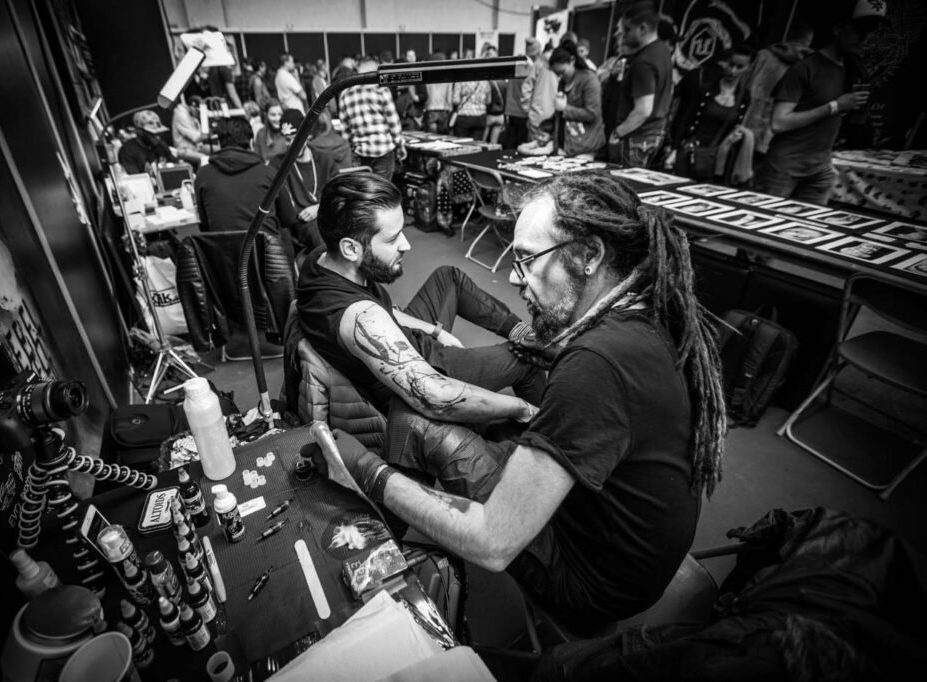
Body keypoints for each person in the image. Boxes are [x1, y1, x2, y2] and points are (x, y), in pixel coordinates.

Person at [304, 172, 728, 634]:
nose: (511, 275)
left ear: (589, 255)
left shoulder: (596, 364)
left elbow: (492, 542)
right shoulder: (647, 318)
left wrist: (365, 468)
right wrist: (527, 408)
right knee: (458, 415)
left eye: (526, 258)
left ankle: (385, 540)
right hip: (618, 550)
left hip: (588, 581)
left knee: (423, 427)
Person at [295, 171, 545, 427]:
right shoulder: (362, 318)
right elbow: (435, 396)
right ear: (351, 249)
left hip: (407, 337)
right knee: (528, 359)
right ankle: (549, 433)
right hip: (422, 369)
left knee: (449, 277)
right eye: (392, 239)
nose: (406, 245)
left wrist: (436, 331)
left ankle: (521, 332)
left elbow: (387, 312)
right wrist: (522, 408)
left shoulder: (323, 258)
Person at [753, 3, 886, 204]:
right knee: (762, 219)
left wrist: (848, 110)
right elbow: (778, 122)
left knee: (809, 224)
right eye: (859, 30)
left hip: (820, 166)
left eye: (871, 32)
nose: (864, 38)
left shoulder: (853, 70)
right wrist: (834, 106)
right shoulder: (806, 67)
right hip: (784, 166)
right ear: (839, 28)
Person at [193, 117, 296, 244]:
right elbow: (288, 219)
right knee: (285, 234)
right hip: (267, 251)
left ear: (219, 144)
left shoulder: (203, 175)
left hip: (225, 252)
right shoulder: (268, 173)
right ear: (251, 143)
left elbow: (205, 223)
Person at [664, 44, 754, 181]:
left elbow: (736, 125)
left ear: (748, 68)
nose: (733, 71)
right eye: (731, 65)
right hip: (690, 151)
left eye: (739, 67)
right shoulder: (706, 87)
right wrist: (674, 149)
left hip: (717, 158)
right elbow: (685, 117)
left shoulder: (744, 97)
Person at [608, 2, 674, 169]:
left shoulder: (644, 62)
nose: (623, 35)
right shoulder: (662, 51)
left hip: (637, 136)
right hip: (653, 133)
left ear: (642, 28)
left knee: (627, 181)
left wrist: (618, 132)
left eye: (627, 29)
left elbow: (643, 110)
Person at [741, 24, 814, 157]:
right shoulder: (810, 65)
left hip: (749, 122)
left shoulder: (764, 54)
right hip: (778, 132)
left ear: (788, 36)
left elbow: (744, 83)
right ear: (808, 41)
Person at [271, 109, 337, 257]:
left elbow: (339, 194)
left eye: (296, 138)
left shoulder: (324, 160)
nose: (292, 144)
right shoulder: (278, 164)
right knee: (318, 233)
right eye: (287, 140)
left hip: (329, 215)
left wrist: (319, 208)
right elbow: (283, 209)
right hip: (303, 224)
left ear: (307, 135)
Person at [338, 56, 406, 181]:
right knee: (382, 189)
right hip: (383, 150)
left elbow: (345, 131)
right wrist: (400, 144)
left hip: (360, 153)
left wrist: (351, 151)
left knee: (364, 190)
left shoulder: (345, 94)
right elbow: (393, 122)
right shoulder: (381, 90)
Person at [549, 46, 605, 156]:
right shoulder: (563, 82)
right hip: (566, 146)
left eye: (562, 72)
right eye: (557, 73)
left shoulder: (589, 79)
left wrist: (565, 108)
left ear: (572, 60)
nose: (560, 76)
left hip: (586, 147)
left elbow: (592, 113)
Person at [522, 37, 558, 153]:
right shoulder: (561, 65)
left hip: (537, 113)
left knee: (534, 150)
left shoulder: (539, 63)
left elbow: (527, 87)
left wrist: (527, 109)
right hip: (555, 113)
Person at [118, 110, 176, 174]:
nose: (158, 137)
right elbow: (133, 177)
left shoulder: (161, 145)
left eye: (160, 133)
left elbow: (176, 167)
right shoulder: (127, 151)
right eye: (152, 134)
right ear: (139, 131)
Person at [502, 40, 533, 148]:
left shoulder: (512, 75)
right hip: (521, 112)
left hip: (510, 110)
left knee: (511, 138)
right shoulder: (526, 76)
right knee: (521, 140)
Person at [170, 95, 212, 166]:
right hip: (184, 150)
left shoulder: (191, 114)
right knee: (205, 158)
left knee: (219, 149)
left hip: (196, 147)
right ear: (193, 106)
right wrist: (210, 132)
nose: (199, 113)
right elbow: (196, 138)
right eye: (198, 111)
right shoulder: (181, 115)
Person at [423, 52, 453, 134]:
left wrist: (424, 107)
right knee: (443, 136)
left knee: (432, 136)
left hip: (431, 108)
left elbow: (426, 94)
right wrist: (450, 108)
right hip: (444, 109)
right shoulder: (448, 77)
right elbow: (449, 97)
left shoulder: (428, 76)